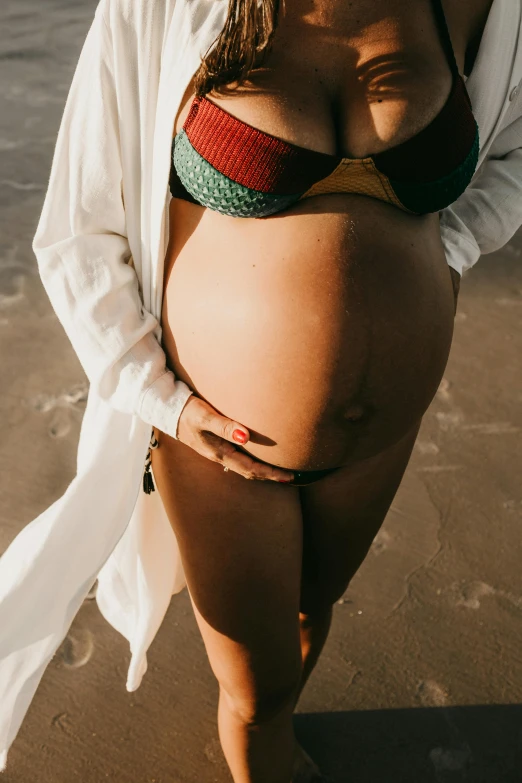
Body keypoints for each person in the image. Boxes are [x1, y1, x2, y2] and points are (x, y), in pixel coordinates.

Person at [1, 0, 521, 780]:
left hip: (382, 434)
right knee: (256, 685)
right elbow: (80, 230)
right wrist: (160, 399)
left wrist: (446, 251)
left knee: (315, 604)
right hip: (215, 437)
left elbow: (512, 152)